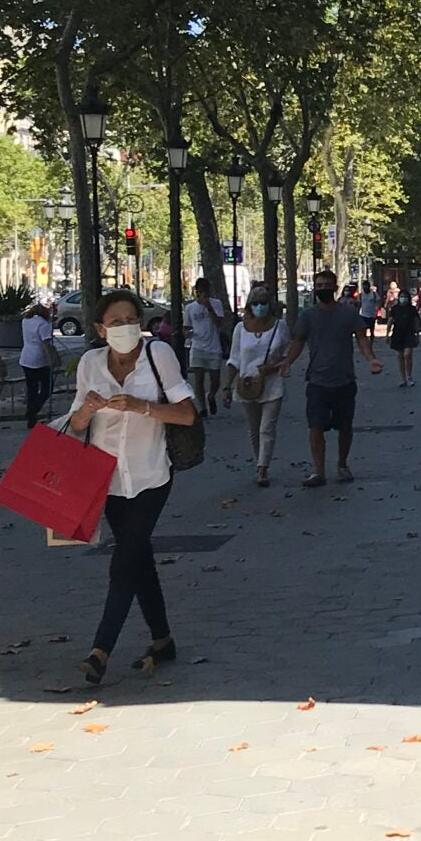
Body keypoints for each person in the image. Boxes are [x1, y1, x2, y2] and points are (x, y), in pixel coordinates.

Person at [70, 290, 197, 685]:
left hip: (151, 474)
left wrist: (141, 406)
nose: (123, 328)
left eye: (130, 320)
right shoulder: (90, 363)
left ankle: (100, 649)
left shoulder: (158, 355)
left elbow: (187, 415)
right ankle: (162, 639)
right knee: (138, 559)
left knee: (124, 558)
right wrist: (88, 409)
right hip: (106, 479)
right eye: (114, 321)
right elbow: (75, 424)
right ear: (99, 328)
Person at [275, 269, 383, 488]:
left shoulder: (348, 313)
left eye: (326, 285)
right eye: (319, 285)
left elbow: (361, 339)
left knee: (345, 426)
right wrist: (287, 362)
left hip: (344, 378)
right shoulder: (308, 316)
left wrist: (371, 359)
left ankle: (342, 464)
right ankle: (319, 471)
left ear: (335, 288)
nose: (322, 288)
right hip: (316, 380)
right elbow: (298, 341)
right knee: (315, 426)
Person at [228, 296, 289, 486]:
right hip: (247, 385)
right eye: (255, 303)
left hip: (272, 384)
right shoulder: (240, 329)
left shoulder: (280, 327)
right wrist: (226, 386)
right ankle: (259, 461)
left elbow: (288, 355)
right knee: (254, 430)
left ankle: (263, 468)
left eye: (264, 302)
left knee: (266, 428)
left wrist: (273, 367)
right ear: (249, 306)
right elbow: (234, 358)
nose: (260, 307)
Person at [182, 278, 229, 414]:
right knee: (199, 379)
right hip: (197, 346)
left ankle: (212, 395)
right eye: (200, 291)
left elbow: (219, 323)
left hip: (213, 346)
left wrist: (209, 307)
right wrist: (187, 334)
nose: (202, 294)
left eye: (205, 291)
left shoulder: (216, 304)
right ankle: (202, 407)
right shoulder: (190, 308)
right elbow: (185, 327)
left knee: (215, 379)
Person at [19, 291, 60, 427]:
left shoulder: (26, 321)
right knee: (46, 388)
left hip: (26, 357)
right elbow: (46, 345)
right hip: (39, 359)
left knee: (32, 389)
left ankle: (31, 418)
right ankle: (32, 411)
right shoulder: (43, 325)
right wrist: (54, 358)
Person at [385, 276, 421, 388]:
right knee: (400, 356)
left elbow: (416, 321)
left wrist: (417, 333)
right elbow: (390, 321)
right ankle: (403, 378)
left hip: (409, 333)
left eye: (405, 297)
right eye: (401, 297)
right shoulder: (395, 309)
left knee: (407, 354)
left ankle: (409, 376)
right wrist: (387, 334)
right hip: (398, 334)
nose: (403, 298)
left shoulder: (412, 309)